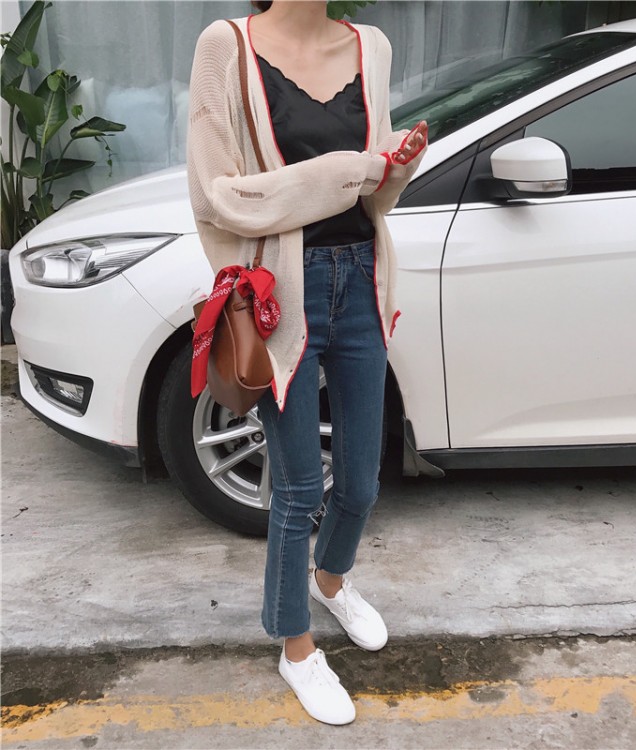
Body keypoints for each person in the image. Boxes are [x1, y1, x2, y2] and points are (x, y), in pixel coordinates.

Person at [186, 0, 427, 725]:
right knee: (296, 490)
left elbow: (374, 191)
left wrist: (394, 169)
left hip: (363, 280)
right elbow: (219, 195)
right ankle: (295, 647)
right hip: (280, 294)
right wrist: (352, 171)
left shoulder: (370, 46)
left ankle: (332, 579)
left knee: (361, 478)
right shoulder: (225, 46)